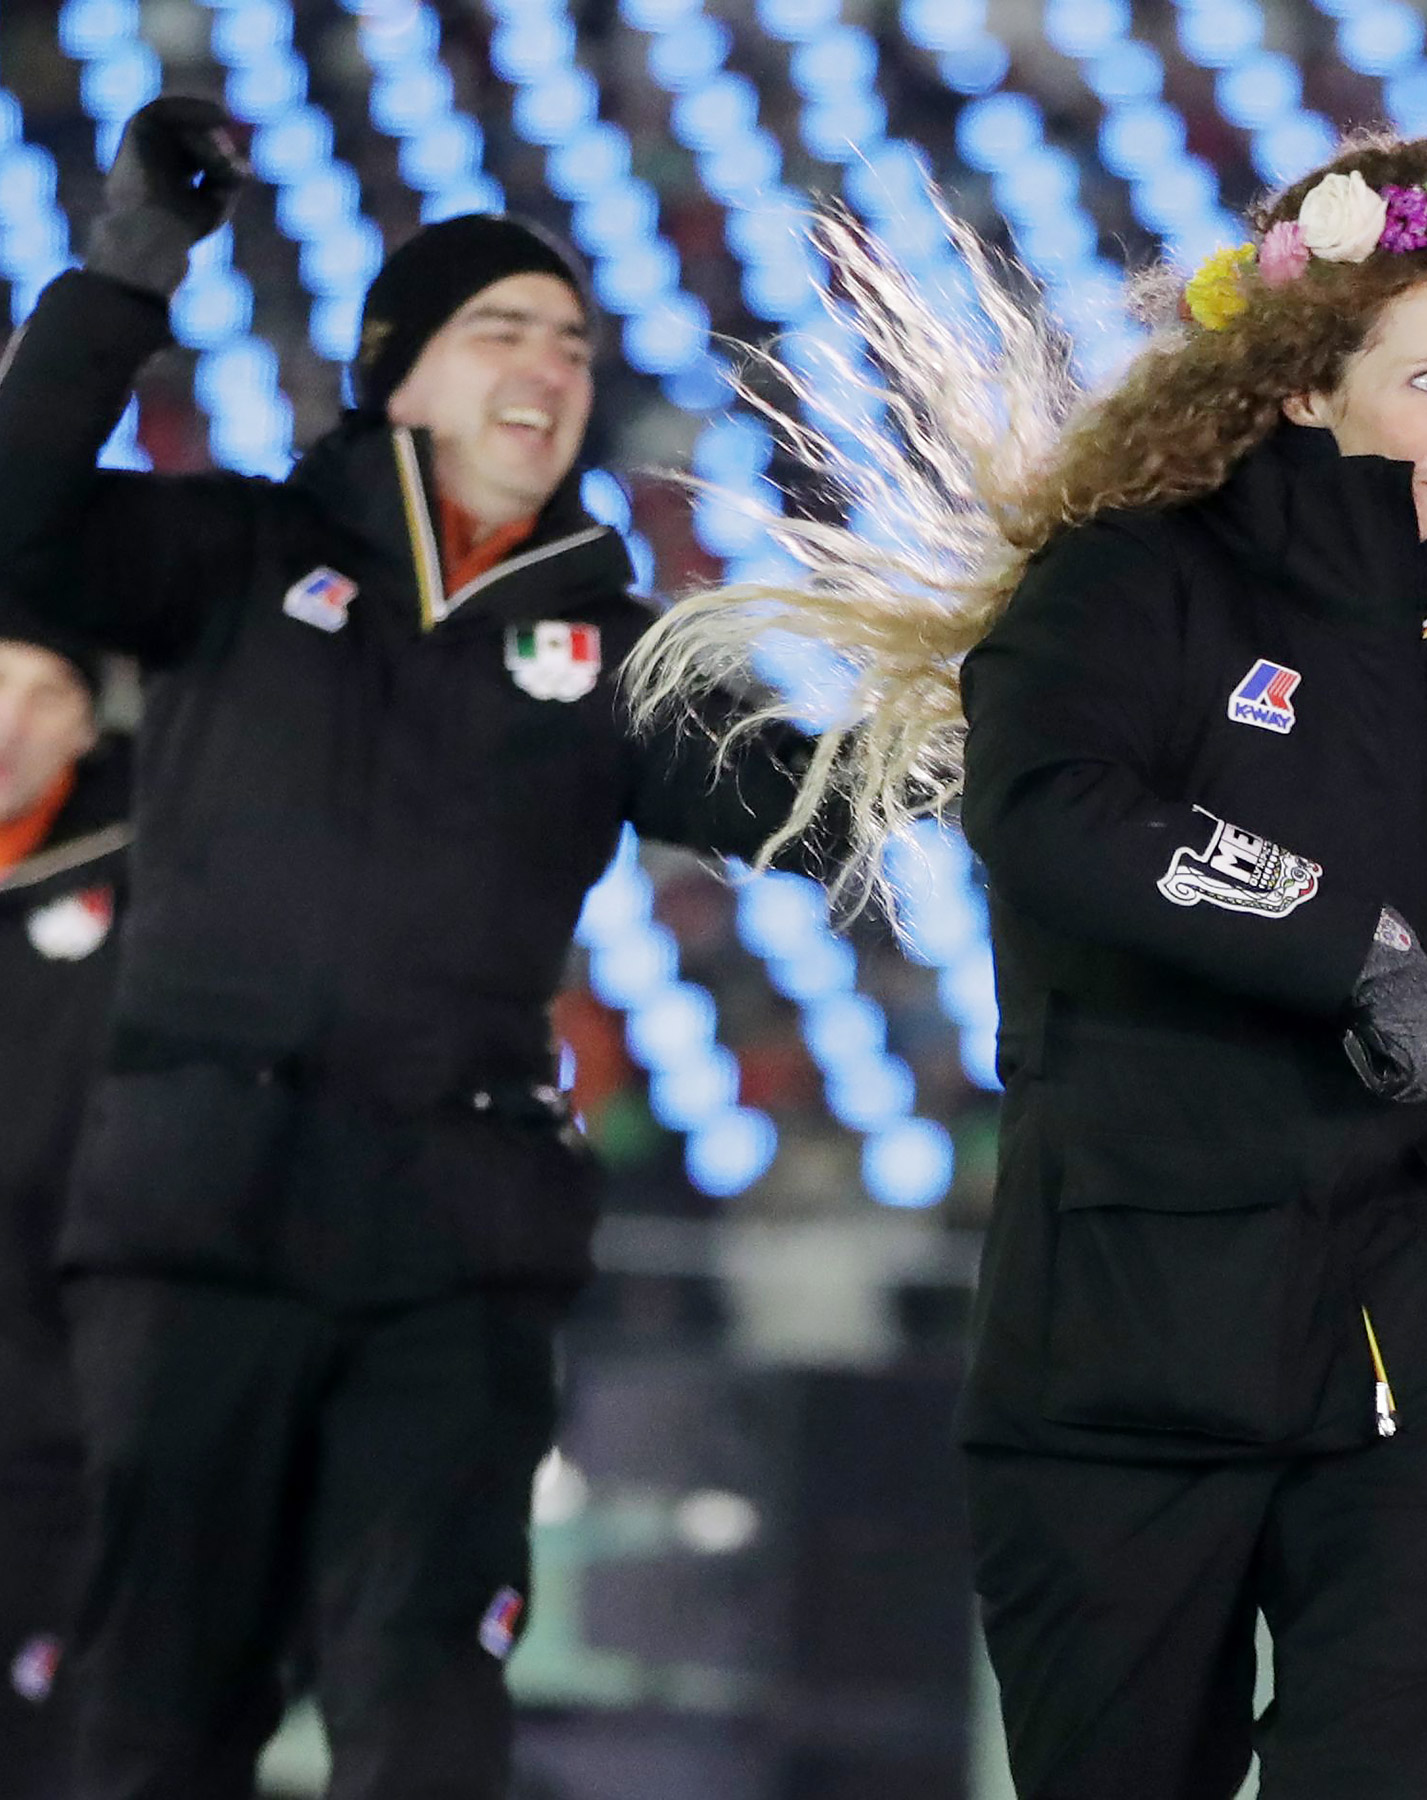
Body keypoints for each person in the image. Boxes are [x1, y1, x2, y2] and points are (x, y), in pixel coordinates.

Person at [629, 135, 1427, 1798]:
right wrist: (1351, 946)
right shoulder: (1123, 589)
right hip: (1127, 1371)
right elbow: (1051, 814)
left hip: (1425, 1381)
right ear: (1301, 385)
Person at [0, 98, 831, 1799]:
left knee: (424, 1695)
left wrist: (1003, 701)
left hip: (453, 1241)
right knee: (158, 1710)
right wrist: (130, 264)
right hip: (201, 1220)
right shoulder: (241, 552)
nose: (550, 364)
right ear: (396, 374)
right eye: (499, 329)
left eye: (574, 343)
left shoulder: (620, 650)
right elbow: (17, 517)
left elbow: (818, 809)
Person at [0, 615, 127, 1800]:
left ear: (89, 726)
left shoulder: (153, 875)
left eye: (45, 695)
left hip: (47, 1422)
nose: (6, 725)